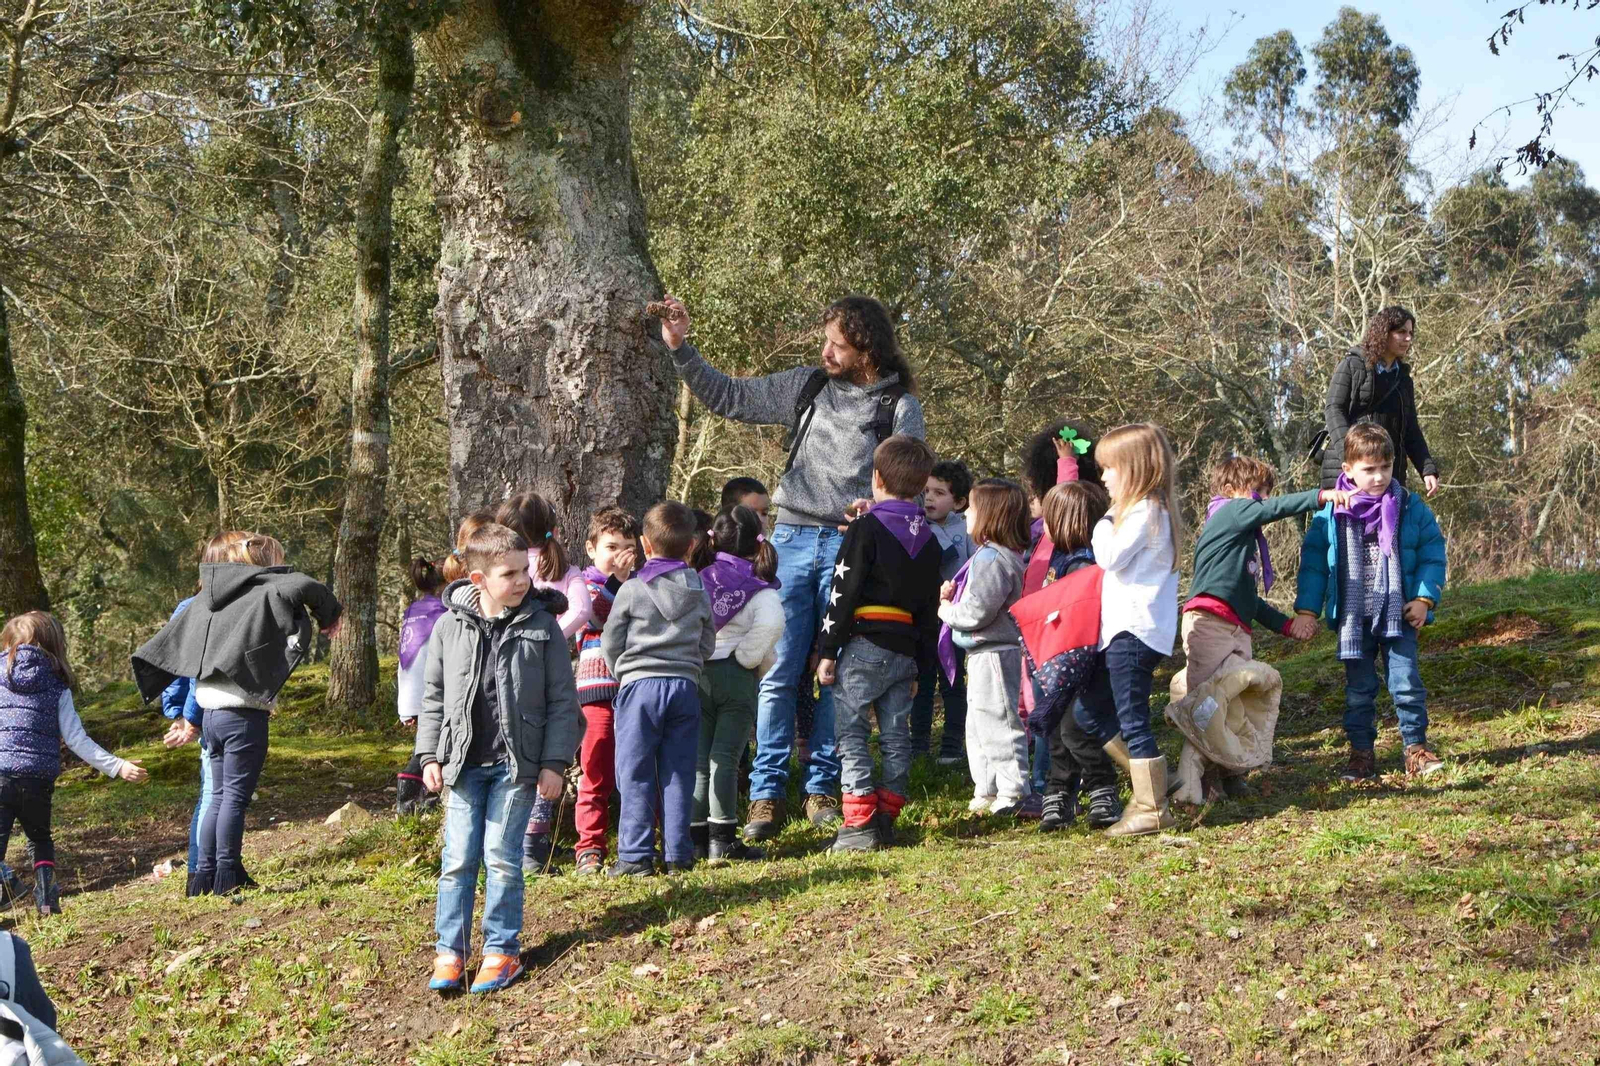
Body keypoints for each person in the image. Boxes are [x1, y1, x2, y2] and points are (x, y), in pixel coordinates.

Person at [658, 293, 926, 841]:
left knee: (837, 673)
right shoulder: (807, 386)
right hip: (793, 539)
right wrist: (681, 348)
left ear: (867, 350)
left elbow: (907, 484)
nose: (825, 351)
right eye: (825, 339)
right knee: (777, 671)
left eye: (838, 345)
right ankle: (764, 794)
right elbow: (729, 396)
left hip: (854, 548)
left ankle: (823, 787)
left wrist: (876, 514)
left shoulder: (898, 406)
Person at [415, 521, 580, 995]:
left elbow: (561, 701)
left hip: (518, 764)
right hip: (462, 765)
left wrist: (554, 763)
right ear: (478, 580)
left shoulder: (542, 625)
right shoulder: (448, 627)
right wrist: (429, 755)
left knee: (502, 858)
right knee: (457, 859)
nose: (523, 581)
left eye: (524, 571)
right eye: (509, 574)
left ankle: (501, 951)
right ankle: (450, 952)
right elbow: (434, 696)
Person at [133, 534, 341, 895]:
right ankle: (227, 875)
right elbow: (307, 585)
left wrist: (184, 713)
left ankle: (202, 876)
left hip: (210, 712)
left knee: (216, 797)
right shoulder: (262, 588)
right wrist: (331, 616)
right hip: (242, 714)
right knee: (233, 798)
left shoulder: (210, 601)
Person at [1183, 458, 1349, 798]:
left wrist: (1286, 626)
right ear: (1231, 492)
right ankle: (1200, 775)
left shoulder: (1243, 544)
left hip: (1237, 628)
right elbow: (1273, 509)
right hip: (1210, 622)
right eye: (1257, 493)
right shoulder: (1227, 514)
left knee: (1237, 703)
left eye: (1266, 493)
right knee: (1208, 703)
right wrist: (1321, 497)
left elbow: (1252, 603)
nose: (1263, 499)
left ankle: (1232, 772)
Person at [1296, 423, 1448, 781]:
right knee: (1359, 691)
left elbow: (1432, 554)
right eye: (1368, 469)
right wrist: (1306, 609)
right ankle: (1361, 754)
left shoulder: (1410, 507)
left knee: (1406, 681)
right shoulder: (1330, 514)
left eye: (1385, 467)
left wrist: (1425, 599)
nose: (1378, 477)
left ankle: (1416, 749)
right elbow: (1314, 564)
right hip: (1353, 620)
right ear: (1347, 469)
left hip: (1399, 613)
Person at [816, 435, 942, 851]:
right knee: (895, 734)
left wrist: (827, 650)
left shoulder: (864, 529)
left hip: (864, 644)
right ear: (922, 485)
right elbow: (929, 610)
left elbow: (843, 590)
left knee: (851, 731)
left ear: (876, 477)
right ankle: (887, 816)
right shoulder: (930, 540)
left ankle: (858, 823)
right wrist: (923, 668)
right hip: (906, 650)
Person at [1073, 423, 1183, 838]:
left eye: (1108, 469)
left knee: (1133, 718)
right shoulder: (1144, 512)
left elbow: (1109, 556)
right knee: (1089, 710)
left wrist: (1102, 520)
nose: (1102, 478)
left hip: (1134, 633)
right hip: (1121, 631)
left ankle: (1152, 808)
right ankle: (1157, 780)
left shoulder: (1144, 512)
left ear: (1133, 468)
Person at [0, 612, 147, 915]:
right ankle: (46, 900)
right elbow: (77, 739)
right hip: (38, 780)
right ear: (54, 644)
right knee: (40, 839)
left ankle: (8, 888)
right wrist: (117, 765)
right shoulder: (57, 687)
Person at [601, 502, 717, 876]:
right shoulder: (699, 590)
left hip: (639, 688)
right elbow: (707, 642)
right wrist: (690, 667)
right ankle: (677, 853)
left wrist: (623, 670)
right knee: (678, 771)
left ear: (645, 546)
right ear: (689, 548)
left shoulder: (631, 590)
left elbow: (611, 640)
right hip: (684, 688)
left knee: (634, 771)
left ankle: (635, 857)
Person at [496, 492, 592, 871]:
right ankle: (533, 846)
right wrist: (554, 636)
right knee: (546, 758)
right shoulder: (564, 570)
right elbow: (582, 609)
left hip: (507, 678)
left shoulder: (505, 569)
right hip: (550, 678)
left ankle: (510, 842)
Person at [158, 533, 253, 893]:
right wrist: (185, 716)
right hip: (206, 711)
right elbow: (185, 666)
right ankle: (203, 871)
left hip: (209, 711)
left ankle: (210, 869)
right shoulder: (203, 609)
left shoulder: (199, 607)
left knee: (216, 792)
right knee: (216, 793)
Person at [1031, 481, 1124, 832]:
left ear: (1066, 522)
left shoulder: (1084, 565)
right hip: (1059, 662)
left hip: (1083, 663)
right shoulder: (1061, 562)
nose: (1044, 527)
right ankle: (1059, 790)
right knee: (1057, 728)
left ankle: (1102, 786)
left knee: (1077, 728)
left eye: (1049, 520)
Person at [693, 505, 784, 862]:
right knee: (726, 758)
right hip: (737, 677)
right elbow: (772, 623)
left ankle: (695, 839)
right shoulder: (760, 587)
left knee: (699, 760)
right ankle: (723, 839)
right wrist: (748, 658)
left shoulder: (699, 578)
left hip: (699, 674)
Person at [937, 478, 1032, 817]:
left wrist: (947, 611)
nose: (966, 515)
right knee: (977, 726)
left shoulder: (994, 559)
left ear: (991, 515)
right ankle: (987, 789)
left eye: (972, 509)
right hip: (980, 654)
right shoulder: (988, 556)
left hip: (994, 652)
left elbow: (978, 610)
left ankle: (1014, 790)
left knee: (999, 721)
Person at [571, 506, 640, 876]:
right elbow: (595, 617)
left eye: (627, 546)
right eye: (611, 546)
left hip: (634, 689)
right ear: (591, 548)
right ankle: (589, 847)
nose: (619, 554)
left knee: (636, 771)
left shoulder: (640, 583)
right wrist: (618, 580)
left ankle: (637, 842)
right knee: (594, 771)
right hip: (596, 690)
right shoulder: (585, 584)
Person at [1319, 306, 1439, 495]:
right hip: (1347, 476)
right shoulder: (1353, 365)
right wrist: (1351, 458)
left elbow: (1411, 429)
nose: (1408, 338)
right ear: (1384, 332)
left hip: (1389, 477)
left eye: (1410, 333)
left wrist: (1427, 469)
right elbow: (1334, 410)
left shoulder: (1404, 380)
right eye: (1401, 332)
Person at [913, 458, 973, 764]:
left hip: (954, 619)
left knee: (952, 681)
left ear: (960, 501)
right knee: (921, 682)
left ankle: (951, 744)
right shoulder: (915, 526)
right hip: (923, 618)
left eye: (939, 493)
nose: (930, 498)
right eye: (926, 491)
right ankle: (918, 743)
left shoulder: (968, 528)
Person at [396, 556, 448, 815]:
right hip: (428, 693)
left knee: (428, 742)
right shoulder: (442, 615)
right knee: (429, 745)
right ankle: (408, 796)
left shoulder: (413, 613)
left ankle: (421, 797)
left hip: (410, 693)